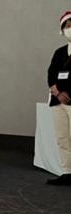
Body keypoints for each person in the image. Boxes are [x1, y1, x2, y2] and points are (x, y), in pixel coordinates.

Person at [47, 10, 71, 185]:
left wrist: (67, 94)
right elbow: (51, 73)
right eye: (67, 26)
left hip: (70, 100)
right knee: (62, 138)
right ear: (62, 30)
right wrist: (56, 92)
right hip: (58, 101)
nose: (70, 29)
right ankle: (67, 172)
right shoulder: (59, 52)